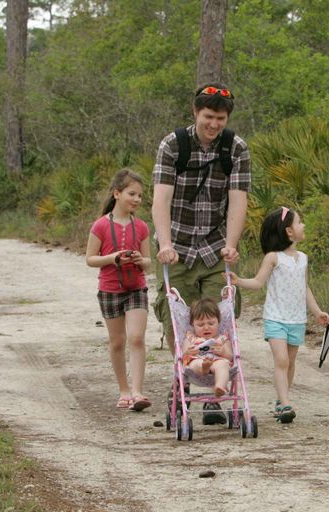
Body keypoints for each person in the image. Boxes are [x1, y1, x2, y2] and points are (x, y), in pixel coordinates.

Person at [152, 82, 251, 424]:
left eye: (220, 118)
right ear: (195, 113)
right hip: (176, 247)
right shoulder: (173, 145)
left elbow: (239, 199)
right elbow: (161, 198)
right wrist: (164, 243)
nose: (213, 124)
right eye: (208, 116)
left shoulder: (235, 148)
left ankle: (215, 394)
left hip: (213, 246)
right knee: (176, 320)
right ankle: (182, 382)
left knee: (219, 318)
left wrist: (232, 243)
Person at [229, 207, 329, 423]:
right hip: (275, 318)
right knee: (281, 360)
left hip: (297, 319)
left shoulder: (303, 258)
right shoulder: (273, 258)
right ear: (289, 232)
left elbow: (305, 288)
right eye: (300, 222)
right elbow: (258, 282)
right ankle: (285, 404)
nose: (303, 226)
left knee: (291, 361)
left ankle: (281, 399)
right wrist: (239, 281)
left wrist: (317, 311)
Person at [86, 169, 153, 411]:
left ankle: (137, 391)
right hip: (110, 289)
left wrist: (138, 260)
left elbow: (148, 261)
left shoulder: (142, 227)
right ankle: (124, 389)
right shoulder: (101, 226)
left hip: (137, 288)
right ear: (117, 193)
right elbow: (90, 259)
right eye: (132, 194)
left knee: (136, 337)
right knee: (117, 341)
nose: (136, 199)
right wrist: (112, 258)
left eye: (140, 196)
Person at [181, 298, 234, 397]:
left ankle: (219, 386)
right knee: (194, 364)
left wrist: (223, 352)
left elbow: (230, 356)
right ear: (193, 325)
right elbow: (183, 355)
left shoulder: (222, 338)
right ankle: (204, 367)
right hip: (198, 361)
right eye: (200, 325)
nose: (206, 327)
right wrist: (188, 352)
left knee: (222, 365)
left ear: (218, 322)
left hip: (216, 361)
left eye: (211, 323)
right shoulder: (191, 338)